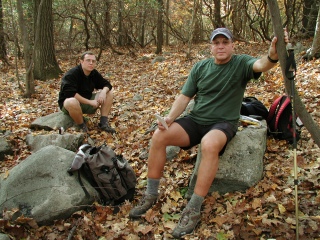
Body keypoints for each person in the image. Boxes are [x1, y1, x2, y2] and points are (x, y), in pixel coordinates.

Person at [129, 27, 289, 238]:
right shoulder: (200, 67)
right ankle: (150, 195)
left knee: (209, 144)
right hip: (196, 121)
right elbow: (184, 97)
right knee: (160, 136)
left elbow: (261, 64)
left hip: (223, 124)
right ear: (211, 47)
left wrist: (272, 55)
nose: (221, 46)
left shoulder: (240, 63)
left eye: (225, 42)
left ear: (232, 45)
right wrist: (169, 118)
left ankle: (194, 207)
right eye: (216, 43)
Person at [58, 51, 115, 133]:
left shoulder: (93, 73)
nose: (91, 63)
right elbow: (70, 94)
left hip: (87, 102)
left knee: (109, 92)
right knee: (71, 101)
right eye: (88, 60)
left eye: (93, 61)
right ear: (81, 61)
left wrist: (103, 92)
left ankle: (103, 123)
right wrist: (90, 102)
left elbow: (107, 84)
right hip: (70, 105)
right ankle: (82, 126)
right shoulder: (71, 74)